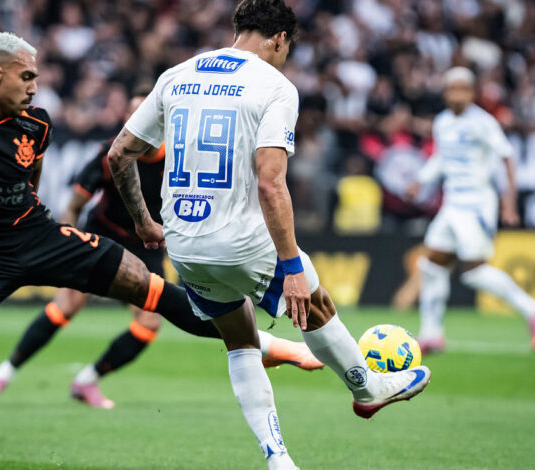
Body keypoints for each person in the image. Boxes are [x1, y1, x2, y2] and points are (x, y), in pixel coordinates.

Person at [0, 32, 310, 470]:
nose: (34, 87)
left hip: (39, 238)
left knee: (146, 286)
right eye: (26, 76)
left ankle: (262, 346)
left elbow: (29, 178)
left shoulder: (37, 124)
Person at [106, 1, 431, 469]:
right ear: (280, 39)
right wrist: (292, 265)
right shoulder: (275, 86)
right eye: (288, 48)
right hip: (241, 240)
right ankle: (367, 390)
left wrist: (142, 220)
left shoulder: (176, 75)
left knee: (240, 339)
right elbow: (270, 181)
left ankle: (278, 459)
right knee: (315, 305)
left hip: (184, 244)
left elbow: (119, 154)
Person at [0, 91, 323, 410]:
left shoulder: (181, 157)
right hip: (103, 236)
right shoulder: (114, 154)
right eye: (131, 113)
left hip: (148, 245)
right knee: (66, 306)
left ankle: (87, 381)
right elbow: (74, 206)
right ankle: (1, 376)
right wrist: (65, 240)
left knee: (148, 324)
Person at [406, 66, 535, 354]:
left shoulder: (483, 123)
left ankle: (533, 310)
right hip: (452, 205)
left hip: (476, 205)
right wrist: (421, 180)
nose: (456, 94)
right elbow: (441, 160)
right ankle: (432, 334)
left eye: (462, 89)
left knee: (473, 272)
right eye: (451, 89)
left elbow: (507, 157)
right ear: (445, 92)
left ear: (472, 93)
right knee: (432, 265)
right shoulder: (443, 122)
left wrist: (509, 201)